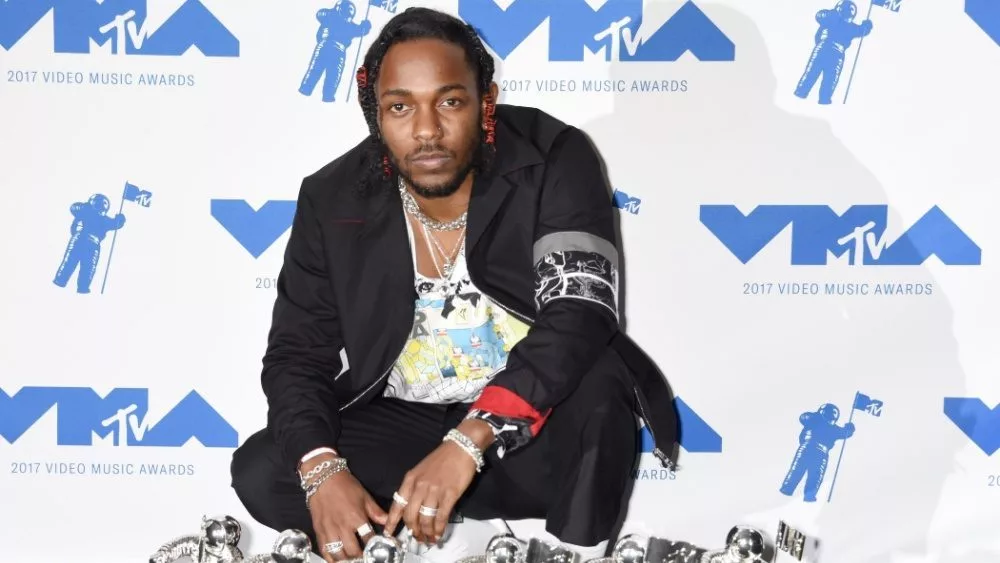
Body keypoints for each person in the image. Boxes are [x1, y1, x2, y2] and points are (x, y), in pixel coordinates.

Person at [230, 7, 676, 563]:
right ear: (376, 114)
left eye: (449, 101)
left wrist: (470, 440)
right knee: (265, 469)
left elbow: (579, 314)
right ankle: (414, 544)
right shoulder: (333, 197)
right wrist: (323, 471)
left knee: (599, 386)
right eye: (400, 107)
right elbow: (297, 353)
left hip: (528, 436)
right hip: (408, 432)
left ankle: (572, 554)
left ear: (484, 103)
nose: (426, 130)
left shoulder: (554, 156)